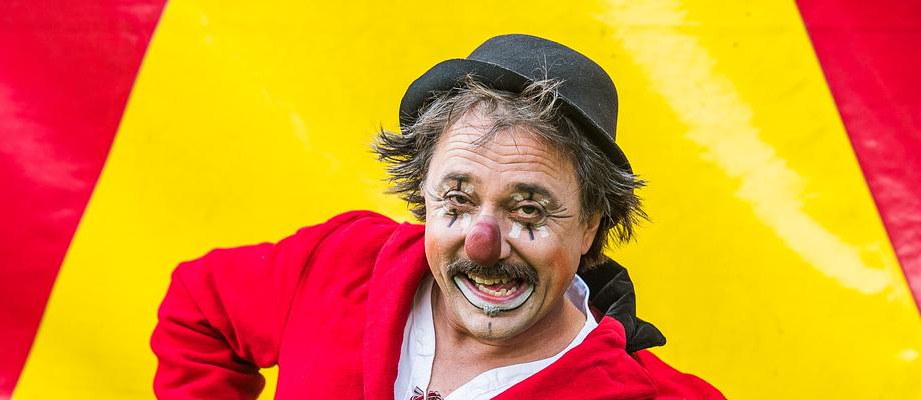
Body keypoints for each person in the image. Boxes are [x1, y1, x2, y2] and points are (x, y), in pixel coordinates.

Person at [151, 34, 724, 399]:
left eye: (528, 209)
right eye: (458, 200)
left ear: (591, 224)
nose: (481, 243)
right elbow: (201, 307)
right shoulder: (341, 262)